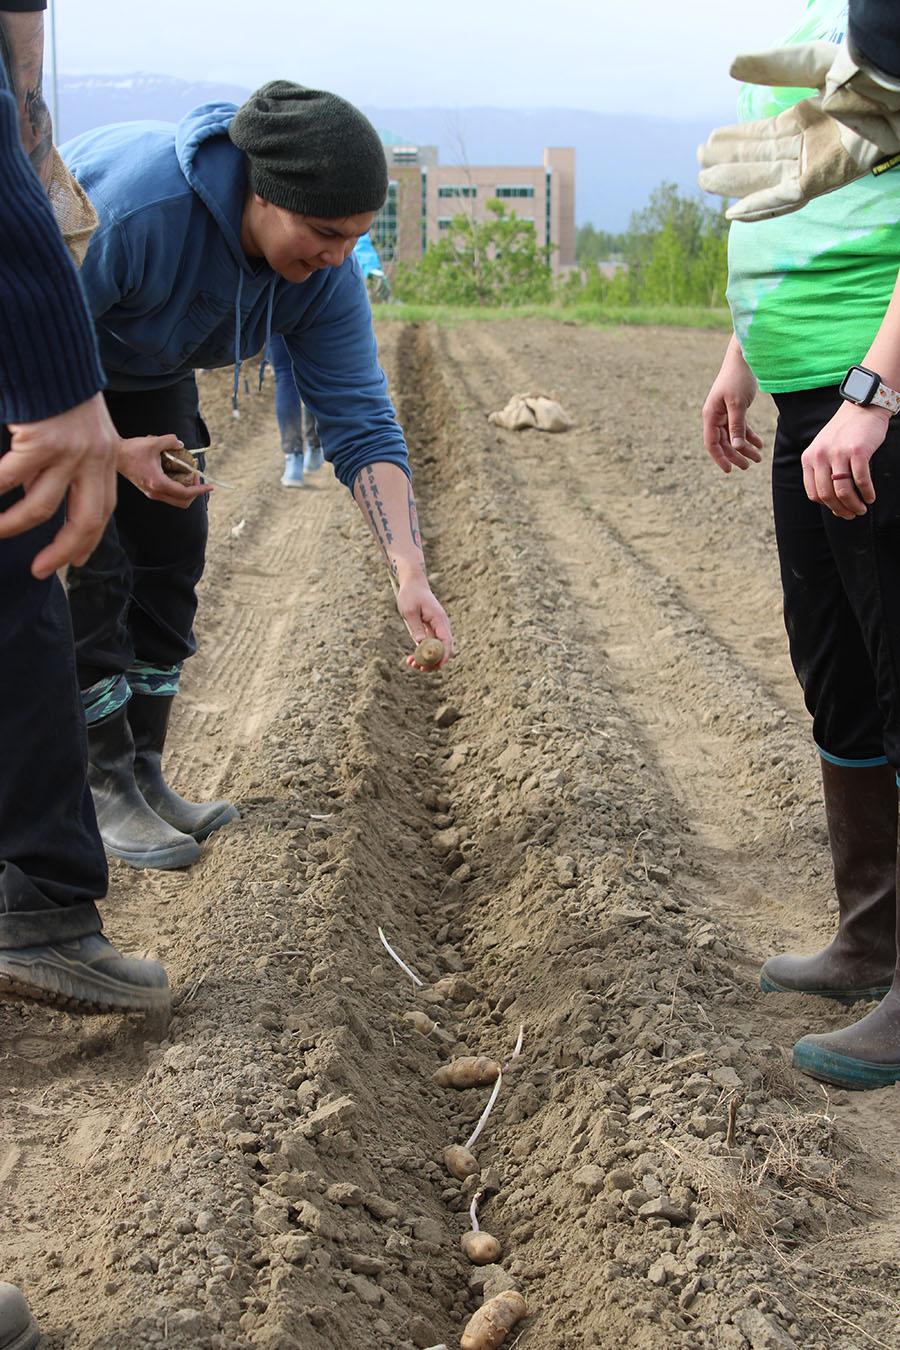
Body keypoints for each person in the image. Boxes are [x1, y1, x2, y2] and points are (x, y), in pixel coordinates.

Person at [62, 81, 453, 872]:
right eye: (323, 233)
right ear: (263, 194)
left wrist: (408, 569)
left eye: (355, 237)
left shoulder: (325, 277)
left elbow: (361, 420)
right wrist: (102, 448)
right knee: (90, 560)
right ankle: (96, 788)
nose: (339, 255)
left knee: (173, 545)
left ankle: (142, 770)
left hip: (144, 362)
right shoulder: (135, 218)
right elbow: (23, 342)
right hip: (42, 352)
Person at [0, 3, 168, 1341]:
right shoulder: (151, 204)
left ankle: (94, 823)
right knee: (43, 560)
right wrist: (63, 380)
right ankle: (49, 876)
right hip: (37, 361)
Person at [700, 0, 900, 1090]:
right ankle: (872, 936)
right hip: (806, 386)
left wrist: (877, 390)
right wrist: (745, 347)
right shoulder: (808, 21)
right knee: (840, 674)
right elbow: (789, 191)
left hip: (874, 391)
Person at [270, 232, 384, 487]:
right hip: (317, 290)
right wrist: (373, 269)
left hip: (276, 287)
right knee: (312, 369)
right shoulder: (344, 217)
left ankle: (293, 459)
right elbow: (357, 243)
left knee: (285, 376)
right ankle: (312, 446)